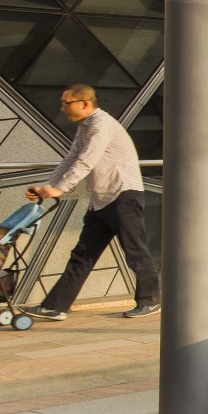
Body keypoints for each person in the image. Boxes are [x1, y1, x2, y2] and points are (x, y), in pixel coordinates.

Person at [26, 83, 159, 320]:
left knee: (135, 252)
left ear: (85, 103)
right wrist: (48, 187)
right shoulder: (85, 126)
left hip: (123, 196)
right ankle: (55, 307)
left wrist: (61, 189)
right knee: (82, 255)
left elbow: (87, 160)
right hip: (101, 200)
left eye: (67, 103)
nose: (63, 108)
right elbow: (71, 159)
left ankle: (150, 301)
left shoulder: (102, 125)